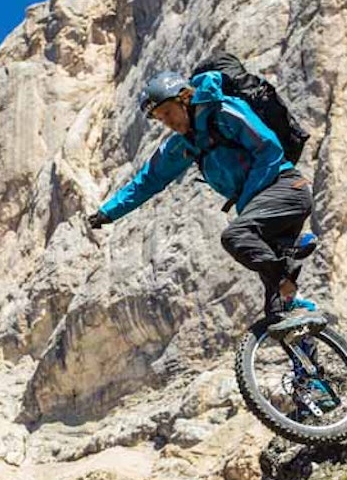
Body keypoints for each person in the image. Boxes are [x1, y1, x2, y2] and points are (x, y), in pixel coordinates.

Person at [87, 69, 314, 325]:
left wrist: (246, 201)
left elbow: (268, 148)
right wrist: (107, 212)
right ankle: (310, 357)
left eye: (169, 113)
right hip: (260, 210)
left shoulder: (224, 111)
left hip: (286, 189)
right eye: (161, 120)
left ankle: (287, 270)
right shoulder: (184, 145)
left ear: (184, 98)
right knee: (279, 315)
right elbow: (148, 180)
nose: (168, 123)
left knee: (235, 236)